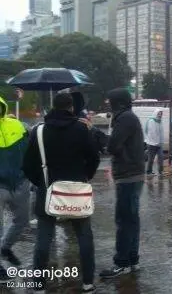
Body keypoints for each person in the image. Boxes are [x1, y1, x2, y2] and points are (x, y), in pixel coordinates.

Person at [22, 93, 100, 293]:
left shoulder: (39, 131)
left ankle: (39, 285)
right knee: (84, 236)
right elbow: (94, 158)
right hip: (77, 192)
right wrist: (85, 177)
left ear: (52, 107)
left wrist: (42, 183)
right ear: (71, 108)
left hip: (47, 191)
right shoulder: (83, 130)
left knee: (43, 239)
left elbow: (27, 165)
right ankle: (88, 282)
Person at [99, 88, 145, 279]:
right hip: (133, 174)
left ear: (117, 103)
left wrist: (96, 135)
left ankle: (122, 262)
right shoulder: (128, 117)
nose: (107, 104)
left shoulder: (124, 119)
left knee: (124, 220)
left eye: (110, 101)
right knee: (132, 220)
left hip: (127, 175)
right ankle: (132, 260)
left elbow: (113, 146)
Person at [0, 97, 30, 283]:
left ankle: (5, 248)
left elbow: (29, 148)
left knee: (22, 220)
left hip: (20, 182)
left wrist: (27, 175)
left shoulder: (16, 124)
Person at [145, 109, 164, 176]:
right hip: (151, 144)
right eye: (159, 113)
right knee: (151, 159)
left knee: (161, 157)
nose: (160, 115)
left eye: (161, 114)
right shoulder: (151, 121)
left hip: (158, 144)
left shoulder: (160, 121)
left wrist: (161, 142)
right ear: (156, 113)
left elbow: (161, 132)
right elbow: (152, 133)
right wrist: (156, 142)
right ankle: (149, 172)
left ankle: (160, 171)